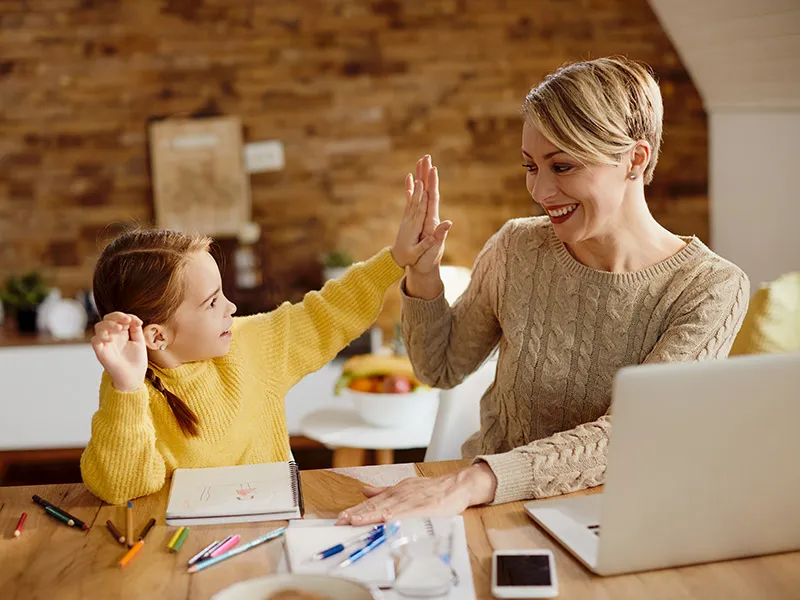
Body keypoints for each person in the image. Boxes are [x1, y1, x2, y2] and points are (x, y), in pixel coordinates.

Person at [337, 57, 749, 525]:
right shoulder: (517, 247)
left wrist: (473, 481)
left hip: (616, 520)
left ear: (635, 159)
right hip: (488, 510)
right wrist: (424, 272)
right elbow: (441, 368)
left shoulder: (710, 287)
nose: (541, 189)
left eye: (562, 165)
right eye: (531, 166)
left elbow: (634, 434)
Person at [80, 181, 450, 504]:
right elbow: (122, 488)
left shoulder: (251, 345)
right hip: (181, 549)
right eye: (212, 302)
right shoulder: (129, 388)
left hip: (269, 531)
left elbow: (327, 312)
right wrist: (125, 388)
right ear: (157, 336)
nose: (232, 307)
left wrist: (395, 259)